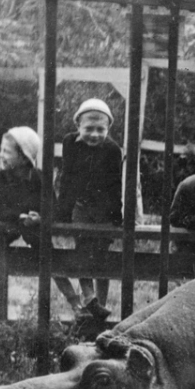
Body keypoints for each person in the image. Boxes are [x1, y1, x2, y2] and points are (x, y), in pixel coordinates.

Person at [0, 126, 78, 306]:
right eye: (1, 150)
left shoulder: (40, 178)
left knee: (47, 252)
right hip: (7, 228)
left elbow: (54, 209)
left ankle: (74, 301)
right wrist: (20, 216)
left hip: (34, 230)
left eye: (6, 151)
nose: (1, 155)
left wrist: (40, 218)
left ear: (24, 157)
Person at [57, 98, 123, 321]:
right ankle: (88, 297)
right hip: (82, 206)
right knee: (83, 248)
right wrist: (63, 211)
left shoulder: (113, 150)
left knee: (102, 253)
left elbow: (116, 185)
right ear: (78, 126)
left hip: (104, 208)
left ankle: (101, 303)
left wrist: (116, 213)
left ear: (108, 128)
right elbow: (67, 178)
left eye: (100, 129)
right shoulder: (70, 143)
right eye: (89, 129)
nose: (94, 134)